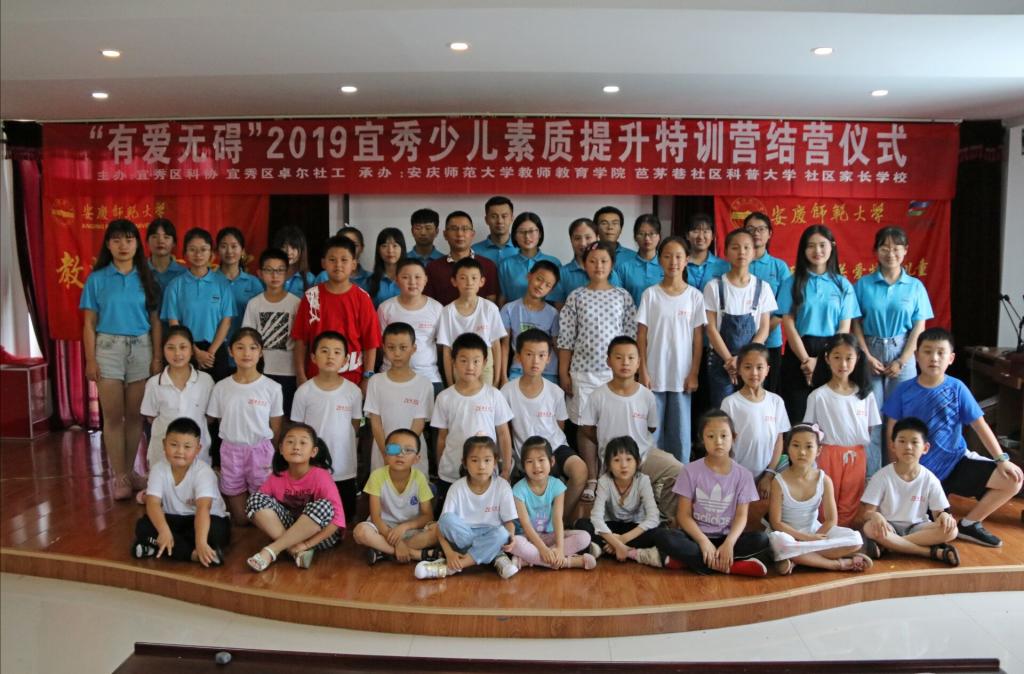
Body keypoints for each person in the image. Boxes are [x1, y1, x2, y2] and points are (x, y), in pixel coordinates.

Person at [882, 328, 1024, 548]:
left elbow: (980, 427)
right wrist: (897, 471)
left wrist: (1001, 459)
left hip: (957, 464)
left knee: (1013, 479)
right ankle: (898, 542)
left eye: (941, 352)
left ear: (951, 358)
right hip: (919, 473)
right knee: (936, 528)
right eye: (927, 352)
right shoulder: (903, 390)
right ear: (916, 356)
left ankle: (970, 524)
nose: (934, 358)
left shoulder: (957, 388)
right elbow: (892, 433)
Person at [81, 218, 162, 500]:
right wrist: (91, 360)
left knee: (135, 417)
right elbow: (89, 323)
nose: (123, 246)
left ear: (137, 244)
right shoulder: (97, 279)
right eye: (116, 240)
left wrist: (157, 356)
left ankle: (129, 472)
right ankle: (120, 476)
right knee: (113, 417)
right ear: (108, 245)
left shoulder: (147, 277)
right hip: (108, 348)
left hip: (141, 348)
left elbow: (155, 321)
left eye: (128, 239)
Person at [557, 241, 636, 498]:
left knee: (613, 425)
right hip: (583, 372)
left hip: (615, 374)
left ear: (612, 264)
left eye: (604, 261)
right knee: (586, 425)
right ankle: (592, 478)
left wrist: (631, 372)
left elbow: (631, 337)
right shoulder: (576, 296)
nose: (598, 266)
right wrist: (564, 372)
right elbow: (566, 339)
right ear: (584, 264)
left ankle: (610, 477)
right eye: (592, 261)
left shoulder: (622, 296)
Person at [853, 226, 933, 477]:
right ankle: (872, 478)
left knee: (900, 417)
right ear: (876, 251)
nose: (891, 253)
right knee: (871, 419)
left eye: (897, 247)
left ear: (905, 250)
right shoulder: (863, 284)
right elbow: (855, 323)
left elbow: (919, 327)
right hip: (870, 350)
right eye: (885, 247)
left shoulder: (915, 287)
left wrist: (903, 360)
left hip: (903, 351)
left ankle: (899, 475)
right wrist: (866, 355)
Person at [580, 336, 684, 523]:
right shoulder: (598, 395)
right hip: (614, 461)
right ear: (608, 361)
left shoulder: (646, 396)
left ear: (638, 363)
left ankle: (666, 517)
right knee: (617, 516)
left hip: (644, 455)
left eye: (630, 358)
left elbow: (651, 427)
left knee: (679, 470)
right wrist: (606, 443)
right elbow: (587, 428)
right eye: (619, 357)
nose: (625, 362)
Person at [670, 409, 773, 576]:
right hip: (696, 538)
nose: (718, 441)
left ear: (734, 437)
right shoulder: (689, 471)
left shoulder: (744, 475)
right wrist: (703, 541)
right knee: (664, 536)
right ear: (702, 439)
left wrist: (729, 543)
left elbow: (741, 516)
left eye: (724, 436)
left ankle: (692, 562)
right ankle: (731, 566)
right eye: (711, 436)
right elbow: (683, 515)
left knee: (763, 539)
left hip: (726, 538)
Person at [776, 224, 860, 424]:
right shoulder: (792, 282)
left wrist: (823, 360)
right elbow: (788, 323)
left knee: (828, 420)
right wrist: (806, 360)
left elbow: (843, 329)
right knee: (799, 418)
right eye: (811, 246)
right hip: (799, 353)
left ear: (832, 247)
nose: (817, 251)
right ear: (803, 250)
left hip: (833, 355)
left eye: (822, 245)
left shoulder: (842, 285)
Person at [501, 329, 587, 521]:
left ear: (549, 358)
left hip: (555, 448)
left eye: (541, 355)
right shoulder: (507, 392)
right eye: (529, 354)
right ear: (518, 357)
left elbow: (559, 427)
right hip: (525, 454)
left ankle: (559, 522)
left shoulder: (555, 392)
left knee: (580, 470)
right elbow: (505, 431)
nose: (535, 361)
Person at [637, 236, 705, 464]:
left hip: (682, 376)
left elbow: (698, 339)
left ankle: (680, 477)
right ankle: (652, 475)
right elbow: (641, 336)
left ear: (686, 260)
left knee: (681, 432)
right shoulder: (650, 295)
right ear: (660, 260)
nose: (673, 262)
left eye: (678, 256)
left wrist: (694, 372)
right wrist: (643, 371)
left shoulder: (695, 296)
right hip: (654, 373)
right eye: (667, 256)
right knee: (652, 431)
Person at [767, 424, 870, 574]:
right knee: (779, 543)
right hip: (789, 535)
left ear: (819, 450)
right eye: (796, 446)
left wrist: (814, 538)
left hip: (816, 531)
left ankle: (799, 559)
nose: (802, 452)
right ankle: (837, 564)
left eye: (809, 446)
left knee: (855, 539)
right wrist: (805, 538)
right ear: (787, 448)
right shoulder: (778, 481)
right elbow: (776, 523)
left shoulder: (824, 480)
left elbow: (831, 520)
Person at [858, 417, 960, 566]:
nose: (908, 447)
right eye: (902, 441)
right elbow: (867, 513)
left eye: (914, 442)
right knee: (869, 528)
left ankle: (890, 545)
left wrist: (944, 516)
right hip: (888, 527)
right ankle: (930, 552)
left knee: (952, 530)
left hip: (917, 528)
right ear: (892, 445)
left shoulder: (930, 479)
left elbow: (938, 514)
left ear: (925, 448)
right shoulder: (882, 476)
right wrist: (875, 515)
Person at [207, 328, 284, 525]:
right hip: (230, 451)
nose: (246, 353)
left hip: (261, 451)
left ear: (261, 352)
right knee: (241, 519)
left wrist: (270, 454)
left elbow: (275, 427)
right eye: (240, 347)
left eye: (253, 348)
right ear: (231, 351)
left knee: (262, 515)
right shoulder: (221, 387)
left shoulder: (272, 388)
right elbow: (215, 421)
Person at [574, 436, 689, 568]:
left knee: (661, 532)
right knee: (582, 524)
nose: (623, 465)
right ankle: (637, 554)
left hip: (635, 529)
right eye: (617, 460)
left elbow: (652, 518)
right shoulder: (604, 482)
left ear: (637, 462)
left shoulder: (643, 481)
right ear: (608, 465)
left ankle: (601, 549)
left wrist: (622, 540)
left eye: (629, 459)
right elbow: (597, 518)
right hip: (610, 528)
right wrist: (617, 544)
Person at [414, 437, 519, 579]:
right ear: (464, 462)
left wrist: (511, 537)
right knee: (446, 519)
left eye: (487, 460)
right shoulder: (456, 487)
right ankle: (495, 556)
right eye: (474, 460)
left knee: (502, 533)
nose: (481, 466)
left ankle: (452, 567)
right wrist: (449, 553)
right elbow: (441, 526)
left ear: (495, 462)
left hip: (491, 535)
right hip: (462, 537)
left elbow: (509, 523)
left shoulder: (502, 486)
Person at [804, 333, 881, 527]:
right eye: (837, 357)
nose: (843, 364)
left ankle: (845, 536)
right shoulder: (818, 396)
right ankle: (825, 536)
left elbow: (870, 428)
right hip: (827, 454)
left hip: (856, 455)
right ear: (827, 358)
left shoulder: (865, 395)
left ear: (858, 358)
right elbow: (809, 432)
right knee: (825, 500)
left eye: (849, 358)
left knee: (851, 500)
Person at [245, 424, 345, 571]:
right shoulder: (276, 477)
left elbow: (337, 520)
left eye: (303, 442)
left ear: (313, 451)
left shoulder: (321, 476)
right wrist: (296, 545)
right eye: (290, 442)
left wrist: (306, 544)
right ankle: (293, 551)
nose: (296, 447)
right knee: (255, 500)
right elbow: (256, 511)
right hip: (290, 530)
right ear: (281, 449)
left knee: (324, 506)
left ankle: (272, 550)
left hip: (319, 536)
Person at [132, 417, 230, 566]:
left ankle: (159, 546)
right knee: (143, 526)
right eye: (174, 445)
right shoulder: (158, 469)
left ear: (198, 449)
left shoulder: (204, 472)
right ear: (164, 444)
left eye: (187, 447)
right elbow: (153, 503)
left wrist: (201, 542)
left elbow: (203, 508)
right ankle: (193, 555)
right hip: (173, 519)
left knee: (216, 534)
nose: (180, 451)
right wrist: (164, 531)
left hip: (205, 519)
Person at [431, 333, 514, 506]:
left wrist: (506, 469)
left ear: (485, 362)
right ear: (453, 361)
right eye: (463, 360)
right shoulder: (444, 397)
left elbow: (503, 435)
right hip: (451, 473)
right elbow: (441, 438)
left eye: (476, 361)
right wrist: (441, 467)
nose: (470, 367)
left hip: (486, 473)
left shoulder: (494, 395)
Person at [290, 330, 363, 524]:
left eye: (337, 352)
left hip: (344, 466)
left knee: (344, 518)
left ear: (345, 360)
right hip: (313, 466)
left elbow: (355, 426)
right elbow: (298, 430)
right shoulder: (304, 392)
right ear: (313, 357)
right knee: (312, 517)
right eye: (324, 351)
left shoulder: (353, 392)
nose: (330, 356)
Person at [291, 234, 381, 390]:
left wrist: (368, 377)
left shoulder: (362, 299)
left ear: (354, 264)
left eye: (344, 260)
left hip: (352, 379)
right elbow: (301, 340)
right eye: (332, 259)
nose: (338, 265)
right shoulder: (311, 297)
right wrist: (300, 375)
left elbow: (370, 343)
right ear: (323, 263)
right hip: (316, 378)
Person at [703, 228, 776, 408]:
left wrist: (743, 359)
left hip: (753, 363)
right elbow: (710, 328)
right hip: (721, 360)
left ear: (754, 252)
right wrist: (730, 360)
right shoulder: (714, 286)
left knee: (751, 407)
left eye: (746, 247)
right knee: (722, 411)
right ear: (726, 252)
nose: (741, 252)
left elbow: (764, 329)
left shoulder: (763, 288)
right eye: (735, 248)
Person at [353, 428, 439, 565]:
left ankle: (383, 551)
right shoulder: (377, 476)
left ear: (417, 458)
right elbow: (376, 517)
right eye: (394, 449)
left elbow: (427, 516)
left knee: (438, 531)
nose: (400, 454)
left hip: (410, 530)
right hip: (383, 529)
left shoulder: (419, 478)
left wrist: (404, 527)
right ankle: (413, 554)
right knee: (360, 532)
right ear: (385, 454)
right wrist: (398, 542)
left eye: (408, 450)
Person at [508, 437, 595, 570]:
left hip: (550, 535)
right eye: (530, 461)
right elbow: (525, 524)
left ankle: (529, 561)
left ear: (552, 461)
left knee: (584, 537)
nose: (536, 466)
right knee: (515, 543)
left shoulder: (557, 486)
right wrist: (543, 549)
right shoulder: (518, 489)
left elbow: (557, 519)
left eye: (541, 460)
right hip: (529, 538)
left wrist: (559, 548)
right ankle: (567, 562)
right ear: (523, 466)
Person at [161, 227, 235, 382]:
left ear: (212, 254)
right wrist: (195, 352)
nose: (198, 254)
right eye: (192, 249)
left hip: (215, 350)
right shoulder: (175, 285)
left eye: (203, 249)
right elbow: (174, 323)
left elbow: (226, 321)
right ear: (185, 254)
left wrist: (210, 352)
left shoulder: (222, 284)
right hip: (184, 351)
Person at [720, 344, 791, 498]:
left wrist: (769, 475)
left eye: (759, 367)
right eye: (747, 367)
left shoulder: (776, 402)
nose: (754, 373)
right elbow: (724, 442)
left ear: (767, 370)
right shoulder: (730, 403)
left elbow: (779, 440)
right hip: (736, 476)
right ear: (739, 369)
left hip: (766, 475)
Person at [141, 327, 214, 474]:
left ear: (192, 350)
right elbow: (150, 417)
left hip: (198, 456)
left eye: (183, 347)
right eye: (170, 348)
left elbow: (210, 417)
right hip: (162, 455)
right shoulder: (154, 383)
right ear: (163, 350)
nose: (177, 353)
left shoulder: (206, 381)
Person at [364, 322, 434, 475]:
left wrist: (404, 453)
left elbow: (419, 423)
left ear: (413, 348)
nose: (397, 353)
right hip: (382, 455)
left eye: (403, 347)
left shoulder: (424, 384)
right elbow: (375, 423)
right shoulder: (376, 382)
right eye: (391, 347)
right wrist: (387, 453)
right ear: (384, 348)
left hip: (412, 456)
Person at [242, 248, 300, 416]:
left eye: (280, 270)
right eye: (269, 270)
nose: (275, 275)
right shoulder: (254, 304)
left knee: (285, 416)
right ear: (260, 273)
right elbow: (248, 338)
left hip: (288, 371)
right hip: (261, 371)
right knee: (261, 415)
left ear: (287, 273)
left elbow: (301, 340)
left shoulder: (296, 303)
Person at [436, 257, 506, 388]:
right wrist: (450, 383)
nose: (469, 282)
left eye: (474, 278)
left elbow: (496, 345)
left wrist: (497, 380)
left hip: (485, 362)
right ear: (454, 281)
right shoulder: (447, 311)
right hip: (459, 362)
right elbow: (446, 350)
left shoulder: (489, 308)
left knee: (485, 398)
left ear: (482, 281)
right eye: (463, 278)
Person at [377, 258, 444, 394]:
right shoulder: (386, 308)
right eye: (405, 277)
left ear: (425, 279)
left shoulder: (437, 308)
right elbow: (380, 345)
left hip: (428, 376)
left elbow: (441, 346)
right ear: (397, 280)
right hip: (390, 374)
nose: (412, 282)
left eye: (417, 277)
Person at [744, 212, 791, 393]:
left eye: (761, 229)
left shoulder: (779, 267)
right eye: (750, 229)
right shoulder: (737, 262)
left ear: (770, 233)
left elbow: (783, 307)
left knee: (769, 392)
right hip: (739, 341)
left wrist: (761, 333)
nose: (756, 233)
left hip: (771, 341)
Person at [500, 261, 561, 384]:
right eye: (539, 279)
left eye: (548, 285)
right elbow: (504, 346)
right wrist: (503, 377)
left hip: (548, 372)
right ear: (529, 276)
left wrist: (564, 374)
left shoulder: (553, 314)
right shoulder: (509, 309)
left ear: (551, 290)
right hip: (519, 369)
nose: (541, 286)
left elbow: (556, 347)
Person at [425, 210, 499, 304]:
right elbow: (429, 303)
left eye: (465, 228)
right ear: (445, 234)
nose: (459, 234)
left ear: (472, 234)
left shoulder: (488, 265)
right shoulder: (432, 268)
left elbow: (491, 300)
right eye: (454, 229)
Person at [548, 218, 624, 306]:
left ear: (597, 237)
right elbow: (559, 308)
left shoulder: (610, 273)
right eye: (577, 238)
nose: (583, 243)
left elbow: (617, 303)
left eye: (588, 237)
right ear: (571, 240)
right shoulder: (562, 274)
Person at [213, 227, 263, 343]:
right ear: (217, 250)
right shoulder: (209, 281)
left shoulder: (254, 283)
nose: (229, 251)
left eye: (234, 246)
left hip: (245, 347)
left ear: (242, 251)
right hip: (215, 347)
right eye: (224, 246)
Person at [497, 212, 560, 303]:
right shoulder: (506, 265)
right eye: (522, 232)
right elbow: (503, 297)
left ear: (540, 233)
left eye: (531, 231)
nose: (527, 236)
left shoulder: (554, 262)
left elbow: (558, 298)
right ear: (514, 236)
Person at [615, 214, 664, 307]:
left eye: (652, 234)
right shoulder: (624, 268)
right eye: (641, 234)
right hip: (633, 315)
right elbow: (618, 300)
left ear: (659, 236)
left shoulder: (667, 265)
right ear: (635, 237)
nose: (647, 238)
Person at [684, 213, 729, 293]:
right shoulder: (678, 264)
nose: (701, 237)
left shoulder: (724, 266)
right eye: (695, 231)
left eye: (705, 231)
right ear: (687, 235)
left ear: (712, 236)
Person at [364, 227, 406, 307]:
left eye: (395, 246)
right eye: (384, 246)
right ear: (378, 250)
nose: (390, 251)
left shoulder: (410, 279)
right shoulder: (370, 281)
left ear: (402, 249)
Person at [271, 226, 315, 297]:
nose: (289, 252)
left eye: (294, 247)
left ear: (302, 250)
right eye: (284, 247)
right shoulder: (268, 275)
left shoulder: (310, 279)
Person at [146, 217, 186, 292]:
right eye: (155, 237)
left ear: (174, 243)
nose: (160, 241)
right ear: (147, 242)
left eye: (166, 237)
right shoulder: (139, 272)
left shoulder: (183, 273)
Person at [472, 195, 517, 264]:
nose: (500, 221)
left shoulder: (521, 249)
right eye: (494, 216)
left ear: (512, 218)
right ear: (486, 220)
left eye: (504, 216)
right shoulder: (474, 251)